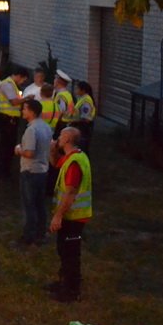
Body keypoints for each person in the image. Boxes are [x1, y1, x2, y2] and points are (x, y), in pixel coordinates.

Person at [48, 126, 92, 302]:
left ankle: (71, 291)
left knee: (71, 253)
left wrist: (58, 215)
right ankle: (64, 282)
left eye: (60, 136)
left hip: (74, 216)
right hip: (70, 215)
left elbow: (70, 193)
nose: (58, 138)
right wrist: (52, 150)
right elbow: (55, 163)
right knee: (63, 249)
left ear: (67, 140)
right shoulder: (73, 157)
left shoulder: (74, 163)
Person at [14, 99, 52, 246]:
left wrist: (18, 150)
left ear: (32, 112)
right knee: (40, 204)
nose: (22, 111)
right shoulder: (46, 127)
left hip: (30, 171)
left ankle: (28, 237)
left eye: (24, 109)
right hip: (43, 170)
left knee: (29, 205)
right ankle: (40, 233)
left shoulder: (31, 130)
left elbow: (29, 153)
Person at [0, 67, 28, 179]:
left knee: (9, 145)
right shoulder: (7, 84)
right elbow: (14, 101)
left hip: (12, 118)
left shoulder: (14, 85)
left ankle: (5, 169)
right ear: (19, 76)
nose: (23, 82)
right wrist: (27, 98)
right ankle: (1, 171)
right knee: (5, 145)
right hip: (7, 118)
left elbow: (19, 98)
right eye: (23, 79)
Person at [73, 81, 97, 152]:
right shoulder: (82, 98)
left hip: (84, 128)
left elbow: (86, 119)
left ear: (83, 90)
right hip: (82, 127)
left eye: (77, 89)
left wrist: (73, 120)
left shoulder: (86, 101)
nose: (75, 90)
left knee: (83, 149)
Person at [53, 70, 75, 137]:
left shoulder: (61, 96)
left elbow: (60, 111)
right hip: (66, 122)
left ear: (58, 82)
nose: (54, 81)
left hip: (61, 124)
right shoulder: (67, 94)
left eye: (55, 79)